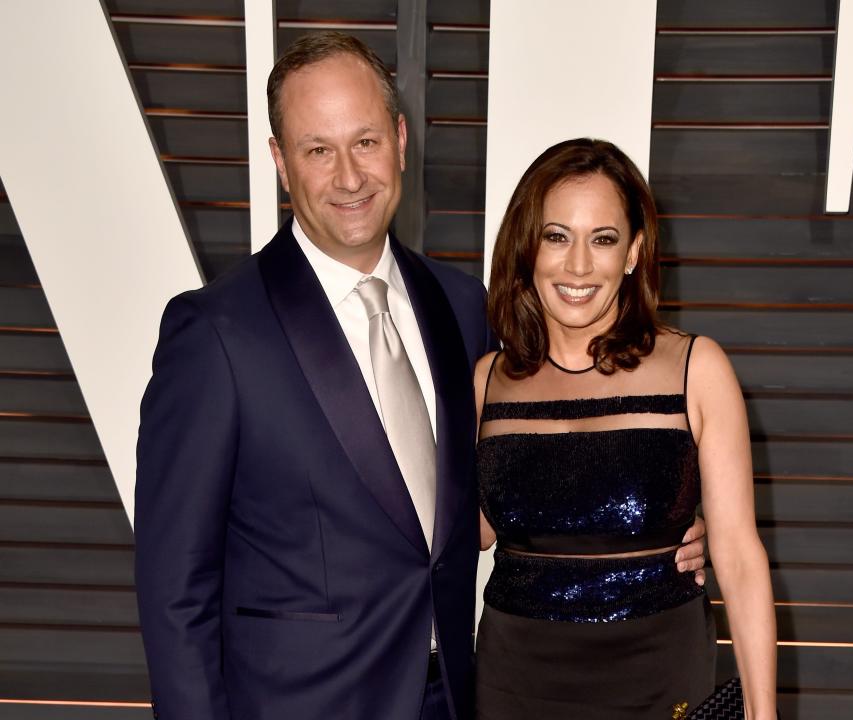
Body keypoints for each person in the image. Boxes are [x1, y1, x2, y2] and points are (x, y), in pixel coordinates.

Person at [134, 32, 706, 720]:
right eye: (319, 150)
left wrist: (663, 512)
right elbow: (175, 591)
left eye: (366, 141)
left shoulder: (463, 307)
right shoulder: (217, 333)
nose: (350, 176)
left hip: (461, 699)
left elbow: (541, 448)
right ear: (282, 163)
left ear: (401, 140)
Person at [474, 139, 777, 720]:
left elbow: (739, 555)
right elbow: (470, 532)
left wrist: (764, 713)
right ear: (526, 247)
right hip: (515, 677)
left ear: (634, 252)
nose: (579, 265)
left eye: (603, 239)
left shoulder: (696, 368)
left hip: (659, 671)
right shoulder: (487, 382)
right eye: (557, 236)